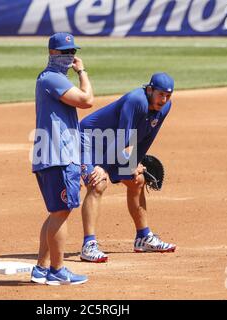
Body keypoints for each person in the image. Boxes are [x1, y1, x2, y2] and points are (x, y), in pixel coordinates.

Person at [79, 72, 177, 263]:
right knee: (98, 183)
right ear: (149, 90)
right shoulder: (136, 101)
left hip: (113, 142)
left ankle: (143, 237)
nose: (163, 99)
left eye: (168, 95)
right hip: (90, 139)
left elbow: (147, 137)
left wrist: (136, 162)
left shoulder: (165, 107)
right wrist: (104, 168)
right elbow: (123, 138)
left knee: (137, 180)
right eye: (160, 94)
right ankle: (88, 245)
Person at [29, 33, 101, 285]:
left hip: (56, 155)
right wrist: (83, 73)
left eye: (73, 52)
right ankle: (57, 271)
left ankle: (41, 268)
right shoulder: (52, 79)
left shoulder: (53, 79)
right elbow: (87, 100)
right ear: (52, 54)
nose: (70, 57)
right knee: (61, 212)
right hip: (57, 156)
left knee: (56, 212)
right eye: (65, 52)